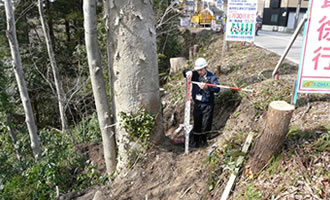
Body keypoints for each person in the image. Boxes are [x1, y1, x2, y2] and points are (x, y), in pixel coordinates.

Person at [183, 58, 220, 148]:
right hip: (197, 104)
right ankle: (196, 140)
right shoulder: (195, 75)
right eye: (198, 70)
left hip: (207, 104)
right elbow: (185, 72)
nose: (199, 72)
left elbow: (217, 88)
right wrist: (188, 72)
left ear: (206, 68)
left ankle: (204, 140)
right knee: (197, 122)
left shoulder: (211, 77)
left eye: (201, 70)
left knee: (206, 123)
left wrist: (207, 87)